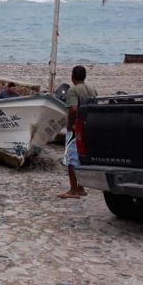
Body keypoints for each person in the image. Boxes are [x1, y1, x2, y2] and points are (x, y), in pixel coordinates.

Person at [58, 65, 98, 199]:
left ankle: (73, 190)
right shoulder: (92, 90)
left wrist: (72, 124)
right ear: (84, 76)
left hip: (76, 130)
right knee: (82, 158)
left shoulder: (73, 90)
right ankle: (81, 188)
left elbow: (74, 109)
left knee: (71, 160)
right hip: (88, 128)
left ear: (72, 77)